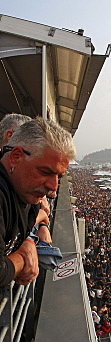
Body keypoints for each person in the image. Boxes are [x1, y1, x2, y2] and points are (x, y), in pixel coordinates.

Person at [0, 117, 74, 285]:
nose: (53, 187)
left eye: (58, 176)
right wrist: (23, 255)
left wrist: (27, 241)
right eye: (45, 171)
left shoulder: (28, 194)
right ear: (16, 156)